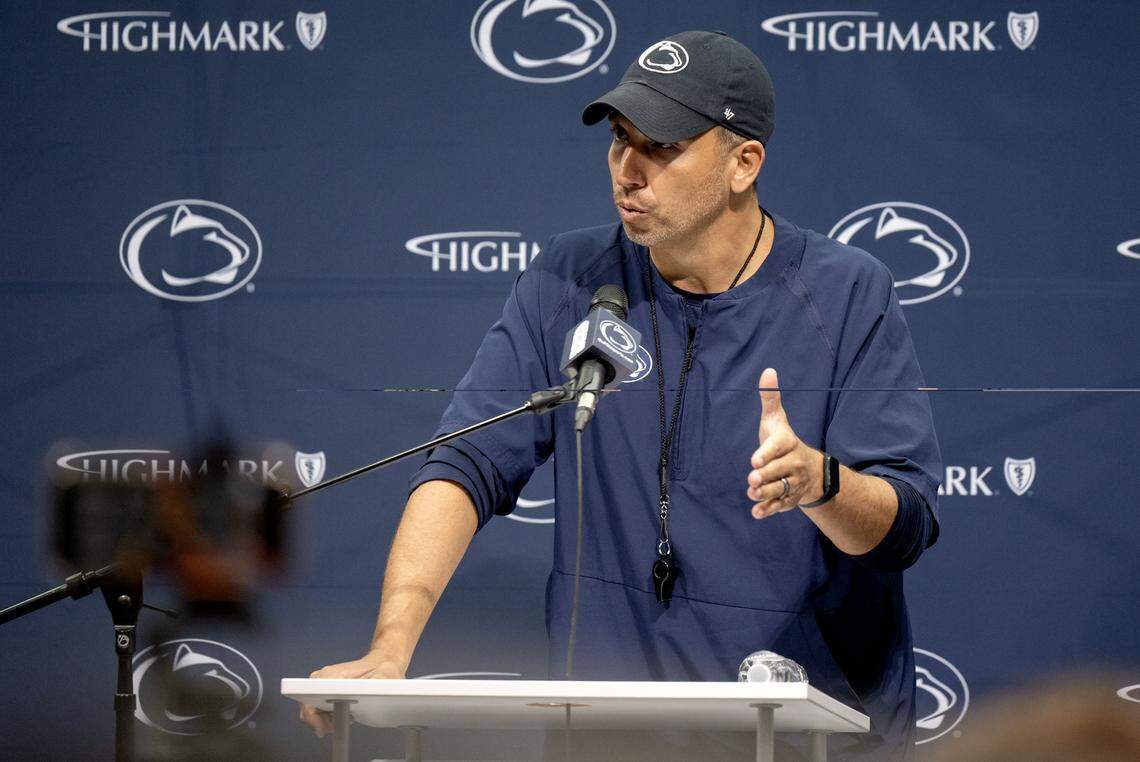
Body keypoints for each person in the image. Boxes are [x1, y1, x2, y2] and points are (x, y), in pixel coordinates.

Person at [302, 30, 942, 761]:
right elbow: (464, 466)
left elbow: (903, 529)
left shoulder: (846, 293)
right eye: (618, 140)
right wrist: (390, 649)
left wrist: (822, 483)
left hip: (808, 736)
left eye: (662, 147)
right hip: (615, 736)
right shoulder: (568, 281)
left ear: (744, 162)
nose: (628, 170)